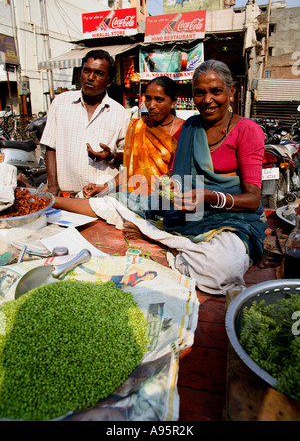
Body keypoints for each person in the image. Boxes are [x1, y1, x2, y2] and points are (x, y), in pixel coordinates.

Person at [52, 60, 267, 295]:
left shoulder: (247, 130)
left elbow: (253, 200)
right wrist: (171, 187)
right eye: (200, 93)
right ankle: (49, 201)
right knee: (120, 201)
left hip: (231, 221)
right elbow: (175, 174)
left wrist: (208, 197)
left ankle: (157, 239)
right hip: (185, 209)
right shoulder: (192, 126)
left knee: (222, 268)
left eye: (216, 91)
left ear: (231, 91)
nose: (207, 100)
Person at [40, 49, 129, 197]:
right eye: (87, 71)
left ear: (109, 80)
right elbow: (51, 146)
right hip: (66, 196)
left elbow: (129, 157)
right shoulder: (61, 103)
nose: (91, 77)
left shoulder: (120, 114)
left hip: (102, 198)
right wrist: (53, 185)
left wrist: (110, 155)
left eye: (99, 73)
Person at [82, 76, 184, 198]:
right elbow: (129, 169)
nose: (151, 105)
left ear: (173, 101)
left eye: (159, 100)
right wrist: (105, 187)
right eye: (148, 99)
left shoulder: (185, 130)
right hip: (133, 201)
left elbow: (186, 175)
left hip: (166, 202)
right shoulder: (137, 126)